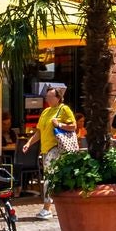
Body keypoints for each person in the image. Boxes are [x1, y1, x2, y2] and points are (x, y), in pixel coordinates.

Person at [34, 87, 77, 220]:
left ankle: (47, 208)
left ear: (58, 98)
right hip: (46, 149)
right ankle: (65, 206)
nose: (47, 99)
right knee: (56, 177)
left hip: (57, 147)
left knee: (49, 177)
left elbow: (74, 126)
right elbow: (39, 132)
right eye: (47, 96)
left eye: (50, 96)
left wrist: (59, 125)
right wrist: (28, 144)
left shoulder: (64, 109)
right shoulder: (46, 111)